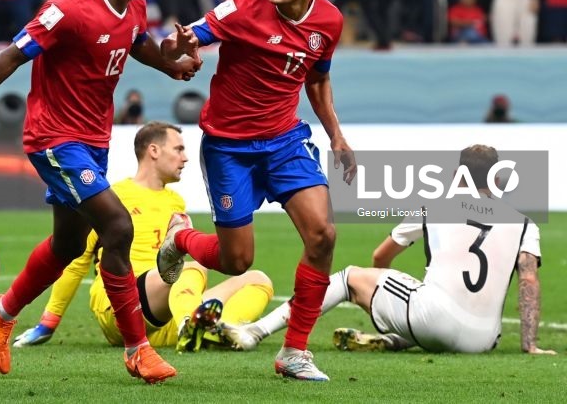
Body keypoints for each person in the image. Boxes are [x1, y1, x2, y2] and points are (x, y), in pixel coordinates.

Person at [0, 0, 200, 384]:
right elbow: (10, 57)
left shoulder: (133, 3)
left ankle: (3, 308)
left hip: (92, 140)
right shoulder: (68, 9)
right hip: (54, 138)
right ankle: (138, 350)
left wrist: (171, 67)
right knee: (117, 226)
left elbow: (136, 42)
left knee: (69, 244)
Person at [157, 0, 356, 382]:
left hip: (285, 141)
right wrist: (180, 46)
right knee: (237, 262)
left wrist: (337, 137)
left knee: (323, 235)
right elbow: (194, 37)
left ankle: (295, 352)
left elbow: (318, 80)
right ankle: (182, 239)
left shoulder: (329, 22)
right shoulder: (245, 4)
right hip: (229, 147)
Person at [223, 145, 556, 356]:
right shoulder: (524, 223)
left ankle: (255, 331)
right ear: (498, 180)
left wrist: (374, 293)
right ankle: (397, 339)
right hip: (484, 340)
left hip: (433, 320)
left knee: (349, 276)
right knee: (420, 300)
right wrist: (530, 345)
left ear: (457, 175)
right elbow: (529, 281)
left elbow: (381, 258)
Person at [12, 122, 274, 351]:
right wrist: (49, 321)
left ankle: (210, 330)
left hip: (162, 313)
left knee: (258, 280)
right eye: (179, 149)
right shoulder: (112, 197)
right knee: (191, 268)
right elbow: (77, 261)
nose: (185, 158)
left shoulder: (176, 203)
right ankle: (189, 323)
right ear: (154, 151)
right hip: (119, 308)